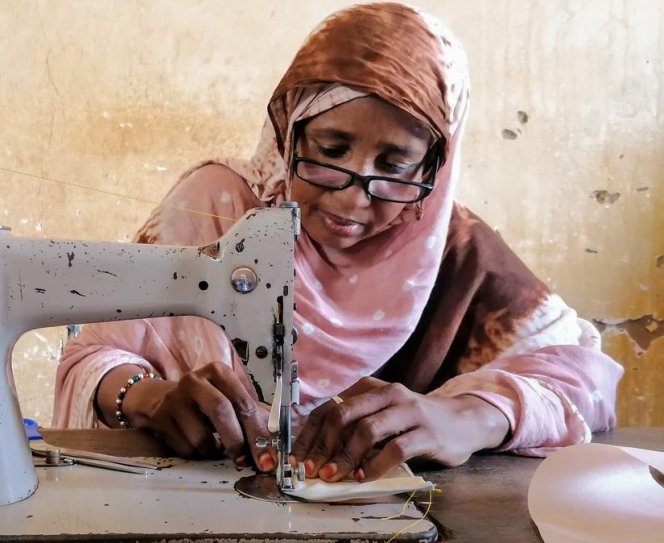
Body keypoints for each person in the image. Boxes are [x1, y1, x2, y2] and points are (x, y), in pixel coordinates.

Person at [52, 2, 623, 484]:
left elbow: (586, 378)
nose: (353, 199)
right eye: (330, 151)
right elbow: (94, 355)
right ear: (290, 132)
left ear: (435, 167)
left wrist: (466, 418)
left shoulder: (456, 252)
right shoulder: (219, 207)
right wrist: (147, 395)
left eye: (395, 165)